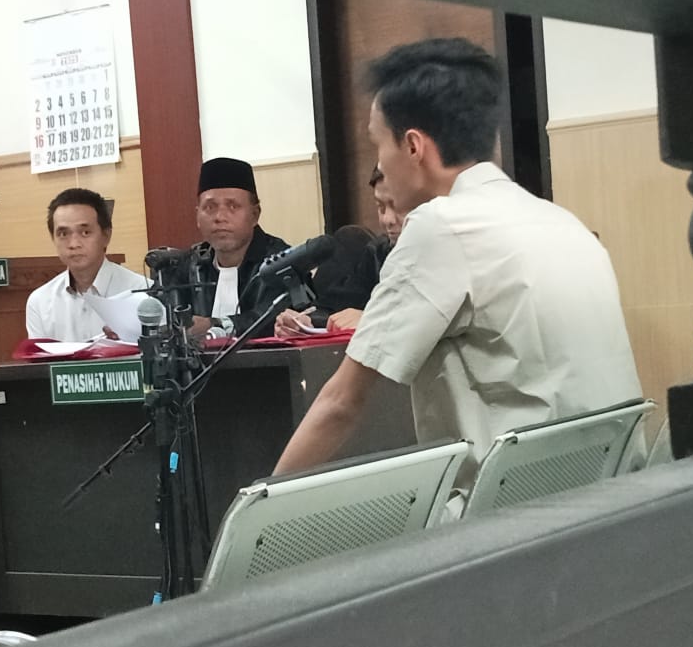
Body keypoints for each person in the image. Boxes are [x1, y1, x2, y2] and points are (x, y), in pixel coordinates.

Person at [272, 37, 641, 488]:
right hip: (617, 490)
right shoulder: (563, 223)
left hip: (520, 509)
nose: (380, 164)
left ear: (413, 146)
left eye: (378, 145)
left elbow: (342, 403)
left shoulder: (440, 226)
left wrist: (261, 502)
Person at [275, 167, 405, 336]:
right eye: (381, 207)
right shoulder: (378, 253)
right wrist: (306, 323)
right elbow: (334, 309)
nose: (387, 219)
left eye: (399, 206)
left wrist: (370, 320)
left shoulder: (438, 255)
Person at [172, 157, 293, 338]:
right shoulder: (188, 265)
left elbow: (273, 318)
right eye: (210, 207)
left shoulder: (282, 261)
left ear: (255, 214)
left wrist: (214, 325)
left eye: (233, 206)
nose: (220, 217)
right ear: (197, 216)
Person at [26, 187, 149, 341]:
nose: (74, 244)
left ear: (106, 235)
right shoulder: (39, 301)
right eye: (63, 234)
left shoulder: (143, 292)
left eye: (85, 233)